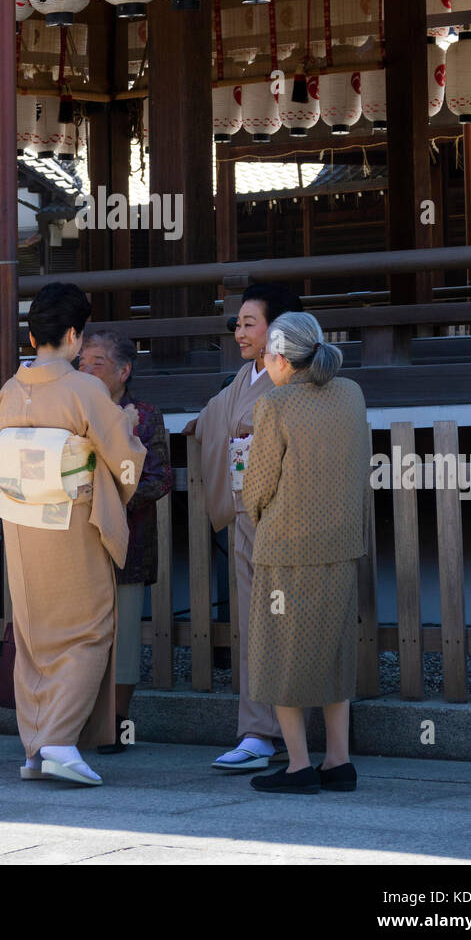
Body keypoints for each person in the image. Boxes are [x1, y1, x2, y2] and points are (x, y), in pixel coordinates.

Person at [0, 283, 146, 787]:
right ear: (74, 335)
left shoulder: (10, 389)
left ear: (34, 333)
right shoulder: (84, 390)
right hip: (69, 520)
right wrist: (129, 427)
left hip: (19, 519)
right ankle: (58, 741)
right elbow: (123, 460)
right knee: (88, 629)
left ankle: (36, 747)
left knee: (35, 633)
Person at [243, 311, 371, 796]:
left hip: (287, 545)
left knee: (282, 654)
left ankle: (298, 765)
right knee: (334, 651)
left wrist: (258, 518)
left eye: (265, 355)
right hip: (341, 542)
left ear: (279, 358)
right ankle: (338, 761)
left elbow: (258, 485)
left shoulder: (276, 404)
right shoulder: (351, 393)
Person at [183, 282, 303, 772]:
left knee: (287, 625)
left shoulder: (295, 379)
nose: (238, 332)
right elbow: (215, 417)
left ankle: (278, 732)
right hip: (246, 518)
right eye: (237, 323)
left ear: (277, 329)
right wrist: (202, 427)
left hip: (286, 518)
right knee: (253, 624)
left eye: (249, 323)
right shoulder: (244, 377)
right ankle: (258, 731)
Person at [78, 331, 172, 753]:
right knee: (79, 632)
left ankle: (117, 722)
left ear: (123, 371)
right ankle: (76, 717)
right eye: (82, 361)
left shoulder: (146, 414)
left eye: (96, 362)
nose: (85, 369)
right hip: (77, 539)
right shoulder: (73, 409)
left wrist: (112, 496)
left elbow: (159, 477)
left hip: (129, 541)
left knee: (125, 636)